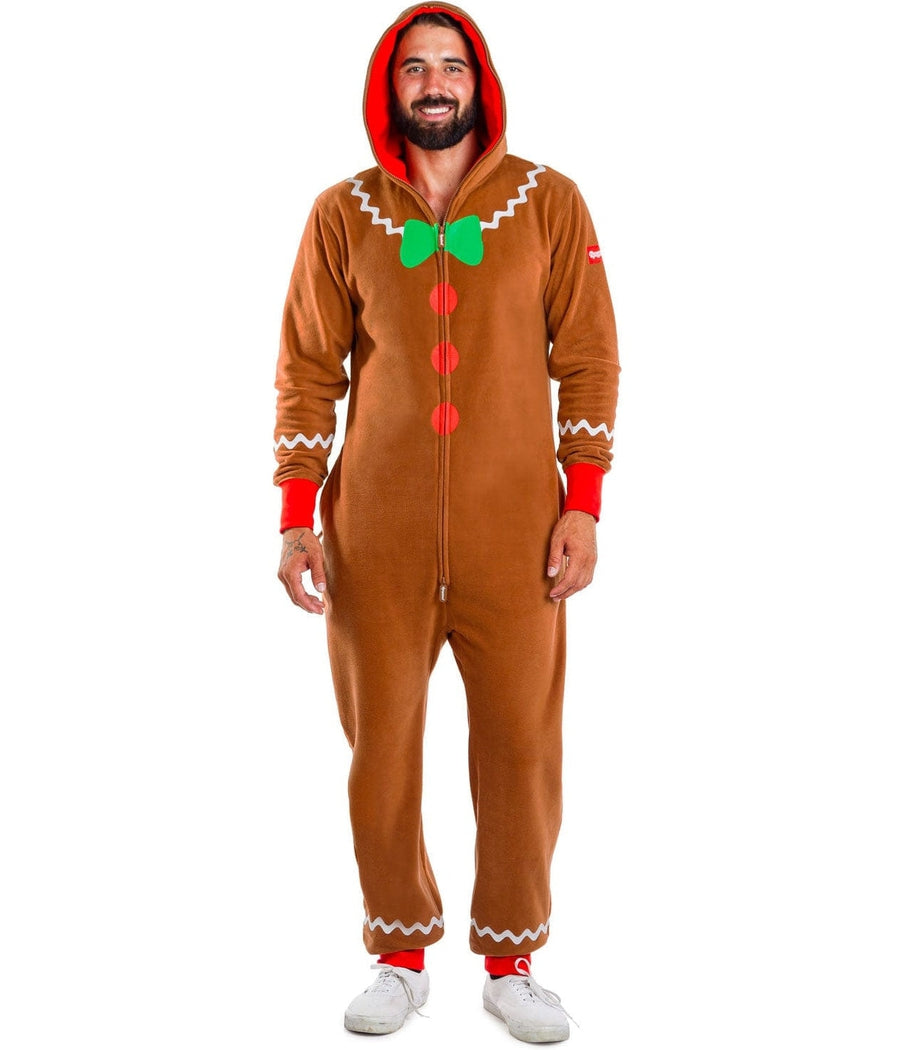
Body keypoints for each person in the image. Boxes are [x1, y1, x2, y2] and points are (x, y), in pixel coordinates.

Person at [274, 4, 619, 1042]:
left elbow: (589, 359)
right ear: (391, 87)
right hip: (371, 536)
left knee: (521, 749)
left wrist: (584, 504)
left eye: (453, 66)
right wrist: (296, 514)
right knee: (381, 749)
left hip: (519, 536)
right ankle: (399, 955)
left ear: (481, 82)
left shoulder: (549, 201)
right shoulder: (340, 214)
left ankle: (512, 962)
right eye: (416, 67)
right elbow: (306, 370)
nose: (435, 83)